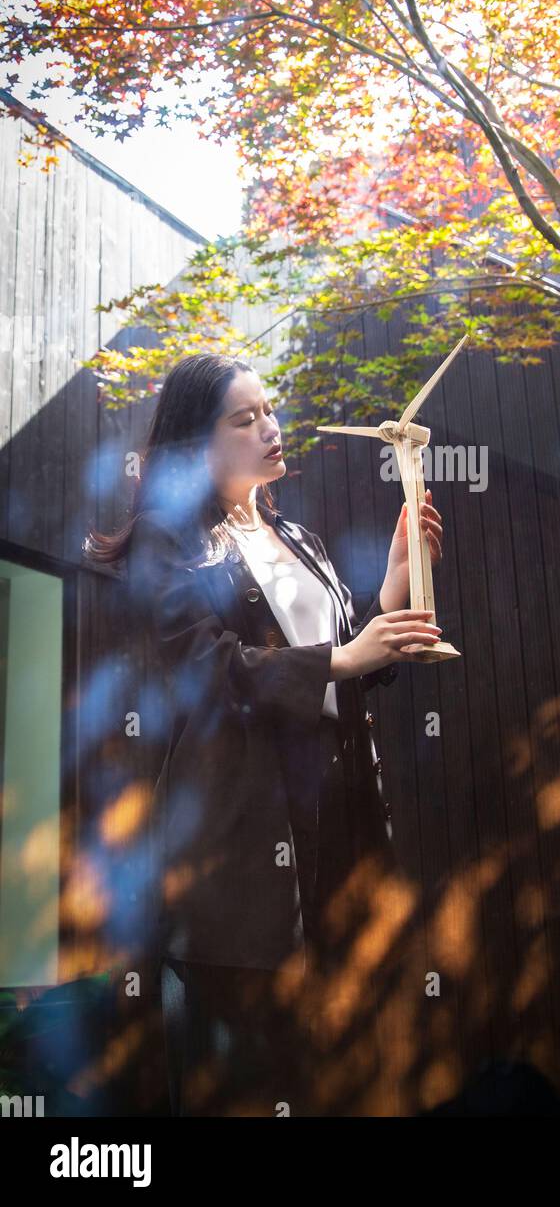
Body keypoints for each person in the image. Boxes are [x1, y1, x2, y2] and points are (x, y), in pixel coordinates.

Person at [84, 353, 444, 1115]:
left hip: (337, 826)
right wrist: (346, 655)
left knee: (338, 1068)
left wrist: (395, 582)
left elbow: (343, 653)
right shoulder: (168, 541)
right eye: (242, 420)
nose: (269, 429)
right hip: (243, 849)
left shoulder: (299, 539)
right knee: (246, 1083)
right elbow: (218, 673)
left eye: (269, 411)